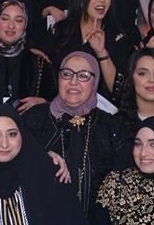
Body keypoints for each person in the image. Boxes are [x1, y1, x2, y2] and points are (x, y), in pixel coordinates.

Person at [23, 52, 125, 207]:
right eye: (66, 74)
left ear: (95, 81)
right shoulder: (35, 118)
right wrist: (42, 157)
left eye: (83, 75)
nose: (73, 81)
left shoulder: (110, 127)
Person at [51, 0, 138, 93]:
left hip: (100, 103)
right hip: (63, 100)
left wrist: (102, 53)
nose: (102, 0)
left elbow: (118, 90)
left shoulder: (118, 36)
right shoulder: (62, 30)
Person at [0, 0, 55, 108]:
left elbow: (56, 99)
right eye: (5, 19)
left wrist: (43, 102)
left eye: (19, 20)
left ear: (25, 25)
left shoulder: (38, 62)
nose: (11, 26)